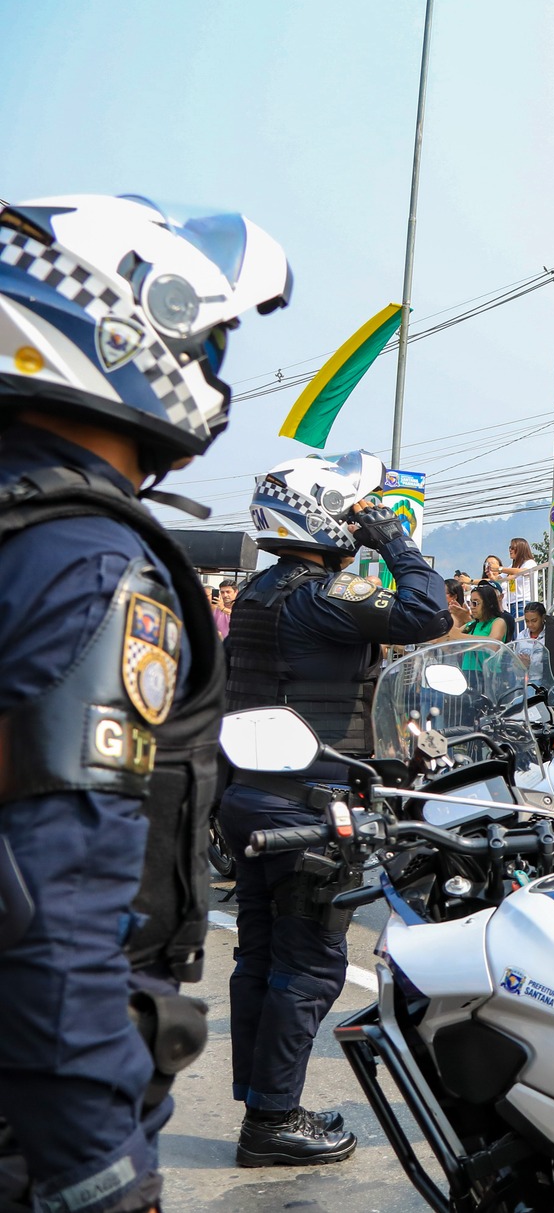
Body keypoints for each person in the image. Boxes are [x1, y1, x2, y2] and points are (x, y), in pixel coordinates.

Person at [0, 194, 289, 1213]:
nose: (213, 381)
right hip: (39, 1132)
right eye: (206, 346)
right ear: (132, 326)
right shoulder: (88, 560)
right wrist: (104, 1179)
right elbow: (47, 912)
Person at [222, 450, 450, 1166]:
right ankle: (272, 1121)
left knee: (260, 956)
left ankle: (264, 1102)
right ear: (317, 511)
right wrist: (392, 536)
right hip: (308, 807)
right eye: (349, 507)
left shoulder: (258, 595)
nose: (355, 520)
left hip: (251, 797)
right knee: (311, 965)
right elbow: (430, 610)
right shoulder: (318, 597)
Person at [501, 538, 539, 618]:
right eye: (510, 548)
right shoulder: (512, 566)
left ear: (521, 549)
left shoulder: (530, 563)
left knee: (522, 629)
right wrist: (471, 581)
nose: (510, 550)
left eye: (513, 548)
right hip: (511, 605)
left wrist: (499, 569)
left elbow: (523, 571)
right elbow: (498, 578)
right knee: (516, 630)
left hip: (524, 603)